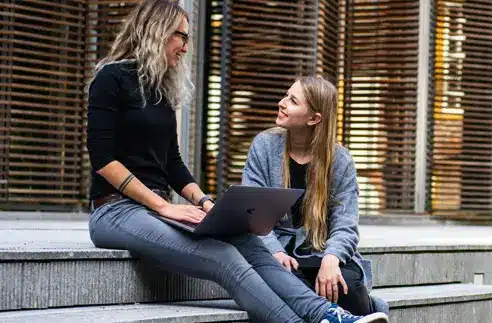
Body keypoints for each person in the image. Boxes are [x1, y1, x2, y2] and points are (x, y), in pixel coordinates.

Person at [85, 1, 388, 322]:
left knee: (248, 241)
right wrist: (163, 206)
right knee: (224, 257)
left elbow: (173, 163)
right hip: (115, 211)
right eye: (182, 38)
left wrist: (204, 202)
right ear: (157, 31)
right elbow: (103, 159)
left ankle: (328, 316)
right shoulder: (111, 78)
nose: (186, 48)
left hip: (158, 213)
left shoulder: (160, 90)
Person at [242, 76, 387, 316]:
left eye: (293, 100)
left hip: (321, 250)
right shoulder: (264, 146)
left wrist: (332, 258)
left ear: (314, 119)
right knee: (283, 285)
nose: (282, 102)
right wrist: (274, 251)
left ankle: (370, 309)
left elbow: (346, 224)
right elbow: (252, 211)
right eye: (286, 95)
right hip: (276, 250)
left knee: (344, 286)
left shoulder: (340, 160)